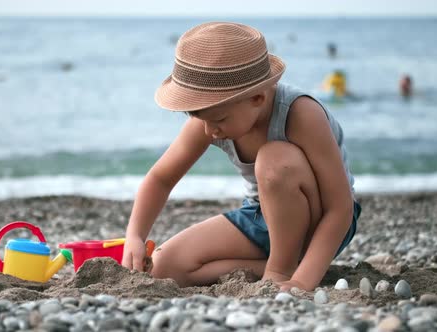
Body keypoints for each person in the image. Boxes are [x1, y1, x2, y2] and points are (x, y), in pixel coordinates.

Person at [121, 22, 360, 292]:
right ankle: (288, 264)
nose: (209, 131)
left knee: (274, 160)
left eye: (218, 120)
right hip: (262, 216)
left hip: (321, 220)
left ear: (257, 97)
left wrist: (301, 284)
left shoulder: (301, 114)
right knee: (164, 267)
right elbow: (161, 178)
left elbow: (340, 209)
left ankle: (282, 270)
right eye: (198, 118)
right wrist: (135, 235)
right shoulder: (211, 120)